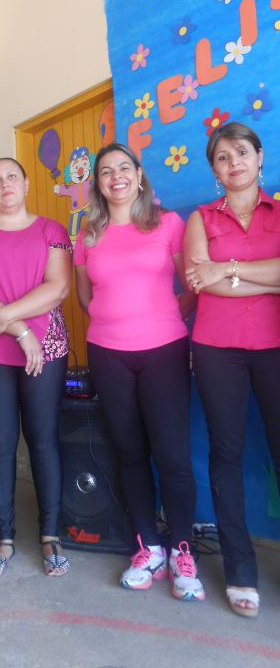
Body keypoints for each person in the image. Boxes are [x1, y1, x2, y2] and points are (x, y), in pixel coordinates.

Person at [74, 142, 204, 602]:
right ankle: (148, 546)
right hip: (108, 353)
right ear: (98, 183)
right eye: (106, 171)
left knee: (172, 455)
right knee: (128, 452)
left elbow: (191, 286)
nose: (116, 177)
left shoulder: (168, 223)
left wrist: (162, 317)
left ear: (139, 174)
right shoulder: (88, 234)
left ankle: (182, 551)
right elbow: (84, 296)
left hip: (164, 350)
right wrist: (114, 322)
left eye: (124, 168)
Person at [0, 157, 72, 577]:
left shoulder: (52, 231)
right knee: (0, 445)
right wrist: (20, 330)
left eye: (11, 177)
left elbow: (58, 288)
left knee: (44, 441)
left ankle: (50, 535)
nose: (4, 184)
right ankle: (4, 538)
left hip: (47, 347)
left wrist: (6, 317)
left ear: (25, 183)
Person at [183, 121, 280, 617]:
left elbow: (219, 275)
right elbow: (201, 282)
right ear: (214, 170)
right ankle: (240, 569)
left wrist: (230, 268)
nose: (234, 162)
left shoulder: (278, 212)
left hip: (275, 347)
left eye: (241, 152)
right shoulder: (201, 218)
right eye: (223, 157)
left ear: (259, 158)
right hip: (217, 350)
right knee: (226, 453)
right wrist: (266, 278)